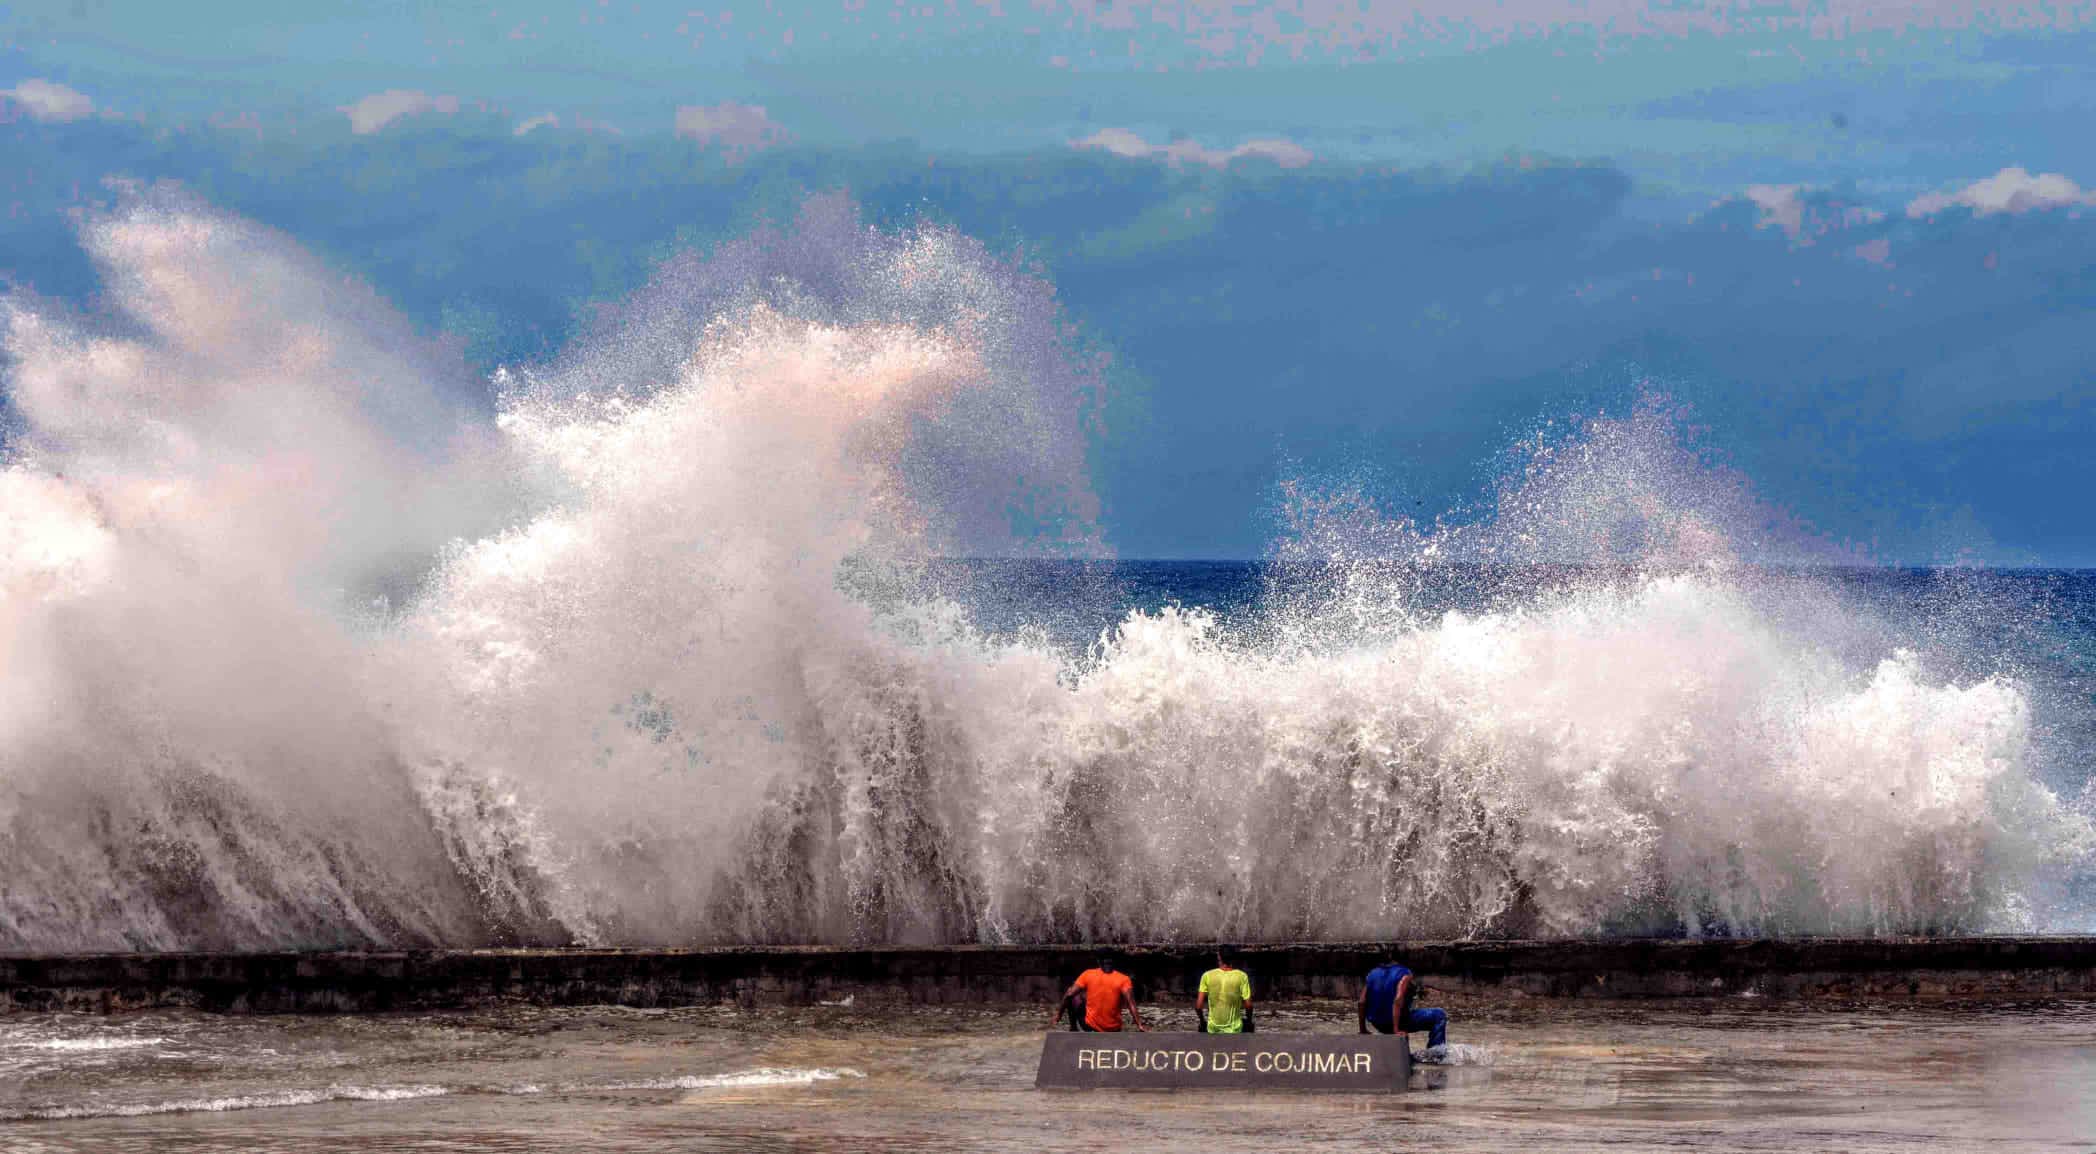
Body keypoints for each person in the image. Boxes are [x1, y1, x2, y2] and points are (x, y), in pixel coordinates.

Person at [1357, 953, 1448, 1059]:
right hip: (1396, 1022)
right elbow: (1398, 999)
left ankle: (1401, 1054)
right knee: (1439, 1015)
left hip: (1378, 1023)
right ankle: (1435, 1055)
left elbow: (1361, 1002)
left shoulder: (1372, 973)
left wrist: (1363, 1029)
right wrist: (1396, 1029)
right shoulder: (1405, 973)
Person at [1054, 954, 1148, 1033]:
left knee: (1073, 994)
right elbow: (1131, 1003)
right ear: (1114, 963)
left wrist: (1059, 1015)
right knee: (1083, 997)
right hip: (1113, 1029)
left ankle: (1073, 1028)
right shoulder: (1124, 979)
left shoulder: (1088, 974)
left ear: (1098, 962)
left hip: (1090, 1028)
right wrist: (1139, 1025)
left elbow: (1069, 994)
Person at [1195, 947, 1253, 1033]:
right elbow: (1248, 1006)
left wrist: (1202, 1021)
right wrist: (1249, 1021)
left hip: (1213, 1029)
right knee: (1247, 1025)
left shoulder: (1207, 975)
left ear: (1219, 957)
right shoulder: (1242, 976)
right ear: (1233, 958)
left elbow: (1198, 1006)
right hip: (1234, 1029)